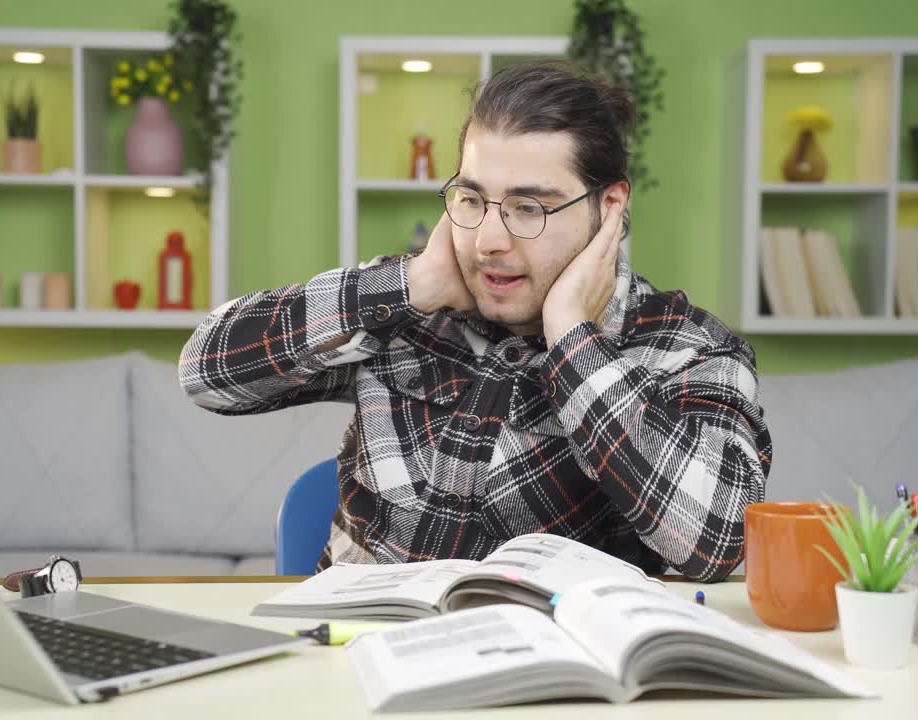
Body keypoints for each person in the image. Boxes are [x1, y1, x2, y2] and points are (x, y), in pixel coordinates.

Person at [179, 61, 772, 581]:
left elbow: (717, 543)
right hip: (360, 645)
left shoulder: (689, 348)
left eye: (528, 207)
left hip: (548, 663)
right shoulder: (407, 305)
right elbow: (205, 374)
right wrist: (411, 284)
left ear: (609, 207)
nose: (488, 240)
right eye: (471, 200)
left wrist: (574, 339)